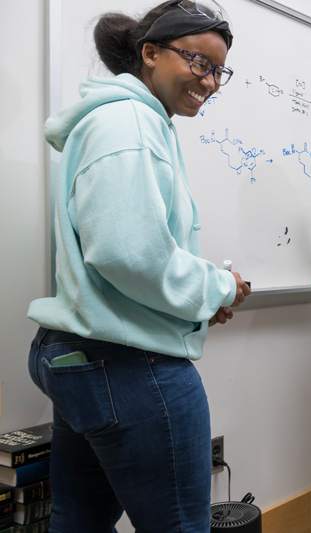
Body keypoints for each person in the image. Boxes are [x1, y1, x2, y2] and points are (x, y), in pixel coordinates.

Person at [26, 1, 250, 530]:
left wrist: (193, 305)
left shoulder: (124, 121)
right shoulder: (129, 121)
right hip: (131, 368)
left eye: (220, 70)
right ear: (149, 53)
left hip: (85, 357)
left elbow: (123, 254)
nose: (210, 82)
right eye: (199, 62)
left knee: (77, 521)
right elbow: (129, 255)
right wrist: (220, 287)